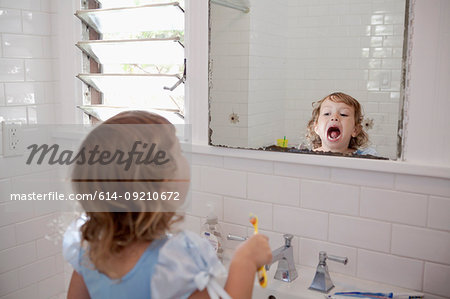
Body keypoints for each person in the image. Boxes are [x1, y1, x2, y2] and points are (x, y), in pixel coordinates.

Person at [63, 111, 272, 299]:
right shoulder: (173, 263)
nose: (185, 158)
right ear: (163, 183)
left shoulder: (90, 252)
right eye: (179, 151)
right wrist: (245, 262)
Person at [306, 92, 376, 155]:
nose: (334, 117)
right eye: (327, 114)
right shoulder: (307, 157)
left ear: (355, 130)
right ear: (316, 127)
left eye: (343, 114)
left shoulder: (365, 157)